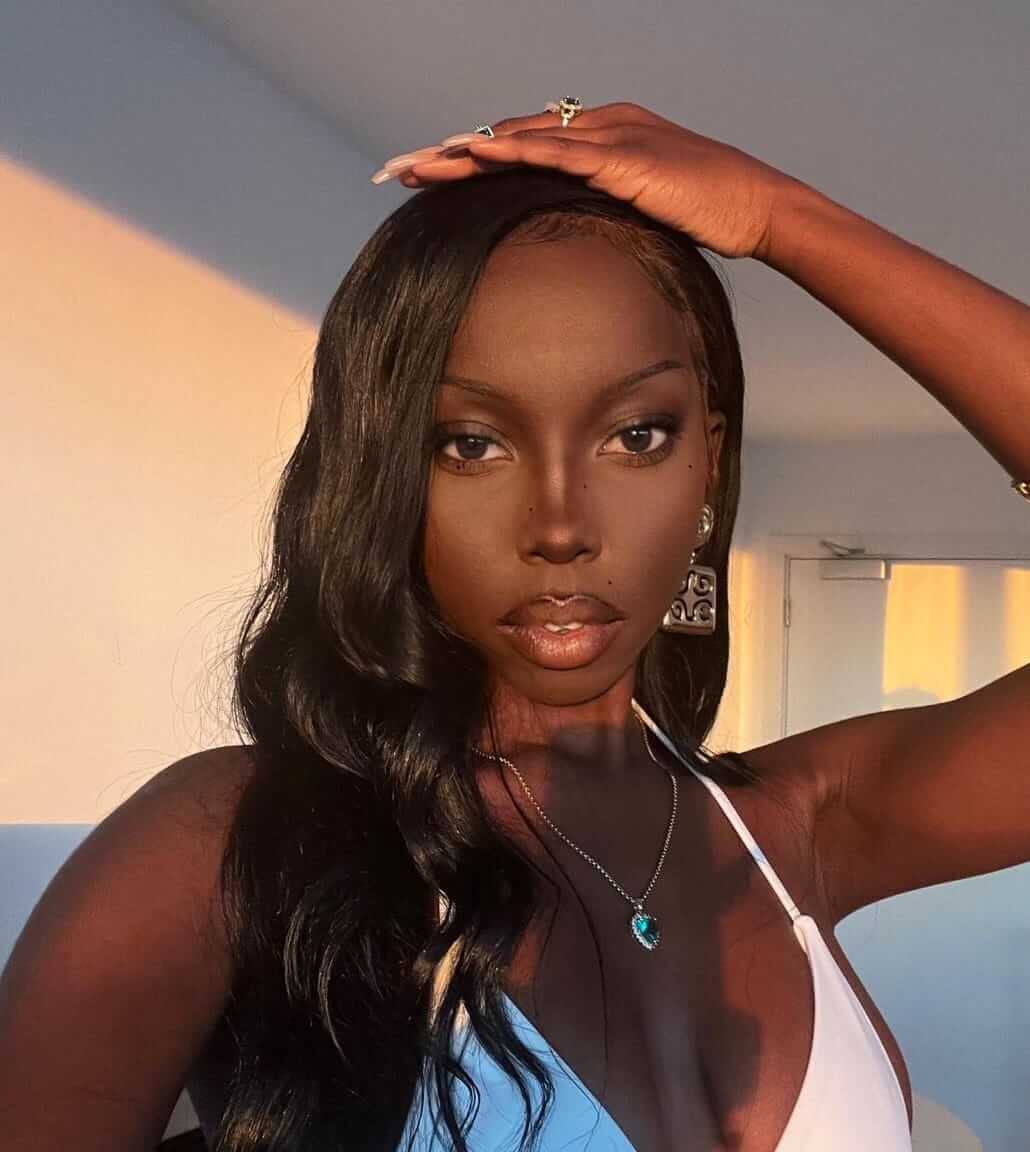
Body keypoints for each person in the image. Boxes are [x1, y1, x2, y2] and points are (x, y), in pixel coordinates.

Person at [2, 98, 1028, 1152]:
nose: (560, 525)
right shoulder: (228, 844)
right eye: (471, 444)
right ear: (387, 474)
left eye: (636, 435)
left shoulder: (800, 828)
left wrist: (779, 217)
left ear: (708, 466)